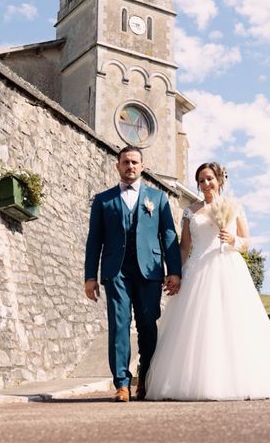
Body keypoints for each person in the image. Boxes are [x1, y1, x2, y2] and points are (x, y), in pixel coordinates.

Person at [146, 162, 270, 400]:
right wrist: (176, 272)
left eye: (209, 179)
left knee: (234, 322)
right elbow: (185, 246)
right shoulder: (191, 211)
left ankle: (238, 379)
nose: (205, 184)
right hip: (198, 269)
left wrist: (232, 240)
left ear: (219, 180)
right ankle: (194, 382)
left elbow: (247, 241)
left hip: (228, 266)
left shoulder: (234, 207)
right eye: (201, 180)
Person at [84, 146, 182, 402]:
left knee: (148, 325)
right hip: (116, 271)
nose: (130, 166)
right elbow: (94, 240)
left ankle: (145, 379)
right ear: (118, 166)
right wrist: (90, 276)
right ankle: (122, 383)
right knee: (119, 325)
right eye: (126, 162)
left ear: (142, 166)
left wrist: (174, 271)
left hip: (149, 270)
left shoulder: (158, 198)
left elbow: (169, 236)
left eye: (135, 162)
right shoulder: (103, 200)